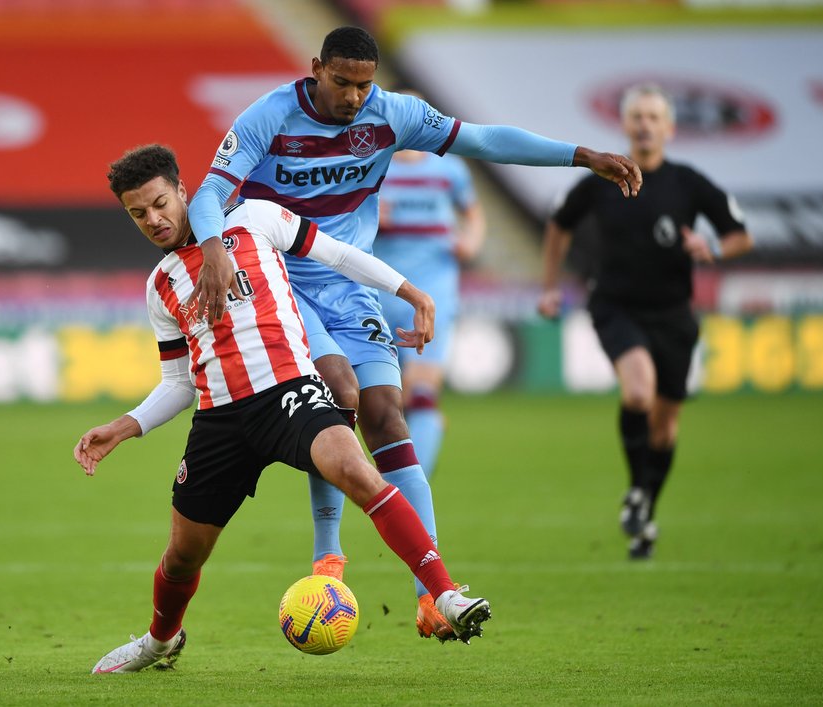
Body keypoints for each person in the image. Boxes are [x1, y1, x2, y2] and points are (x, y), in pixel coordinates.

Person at [185, 26, 642, 640]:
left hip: (348, 282)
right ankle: (329, 557)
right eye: (341, 82)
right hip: (280, 281)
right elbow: (209, 193)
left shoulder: (394, 115)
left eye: (363, 85)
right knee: (338, 390)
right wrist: (214, 249)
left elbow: (484, 140)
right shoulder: (269, 116)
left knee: (388, 416)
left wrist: (582, 156)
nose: (352, 97)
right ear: (317, 68)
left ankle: (432, 599)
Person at [74, 144, 490, 674]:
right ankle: (159, 642)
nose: (153, 219)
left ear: (183, 191)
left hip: (290, 393)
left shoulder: (254, 218)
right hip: (220, 420)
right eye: (138, 213)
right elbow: (178, 382)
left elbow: (337, 254)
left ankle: (444, 595)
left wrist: (410, 291)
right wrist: (125, 426)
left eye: (160, 203)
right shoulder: (161, 287)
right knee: (183, 554)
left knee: (358, 472)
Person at [537, 83, 753, 559]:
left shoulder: (688, 183)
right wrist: (550, 286)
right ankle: (639, 496)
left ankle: (644, 507)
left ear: (669, 128)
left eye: (655, 117)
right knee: (638, 391)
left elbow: (740, 235)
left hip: (675, 315)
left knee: (665, 428)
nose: (645, 125)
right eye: (637, 116)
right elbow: (559, 224)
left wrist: (712, 247)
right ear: (625, 124)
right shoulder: (602, 179)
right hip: (615, 305)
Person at [373, 113, 486, 479]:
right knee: (382, 403)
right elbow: (343, 218)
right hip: (379, 288)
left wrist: (471, 241)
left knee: (421, 395)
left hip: (433, 286)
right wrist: (371, 214)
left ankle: (411, 486)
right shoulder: (372, 165)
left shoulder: (449, 168)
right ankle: (424, 437)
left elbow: (474, 214)